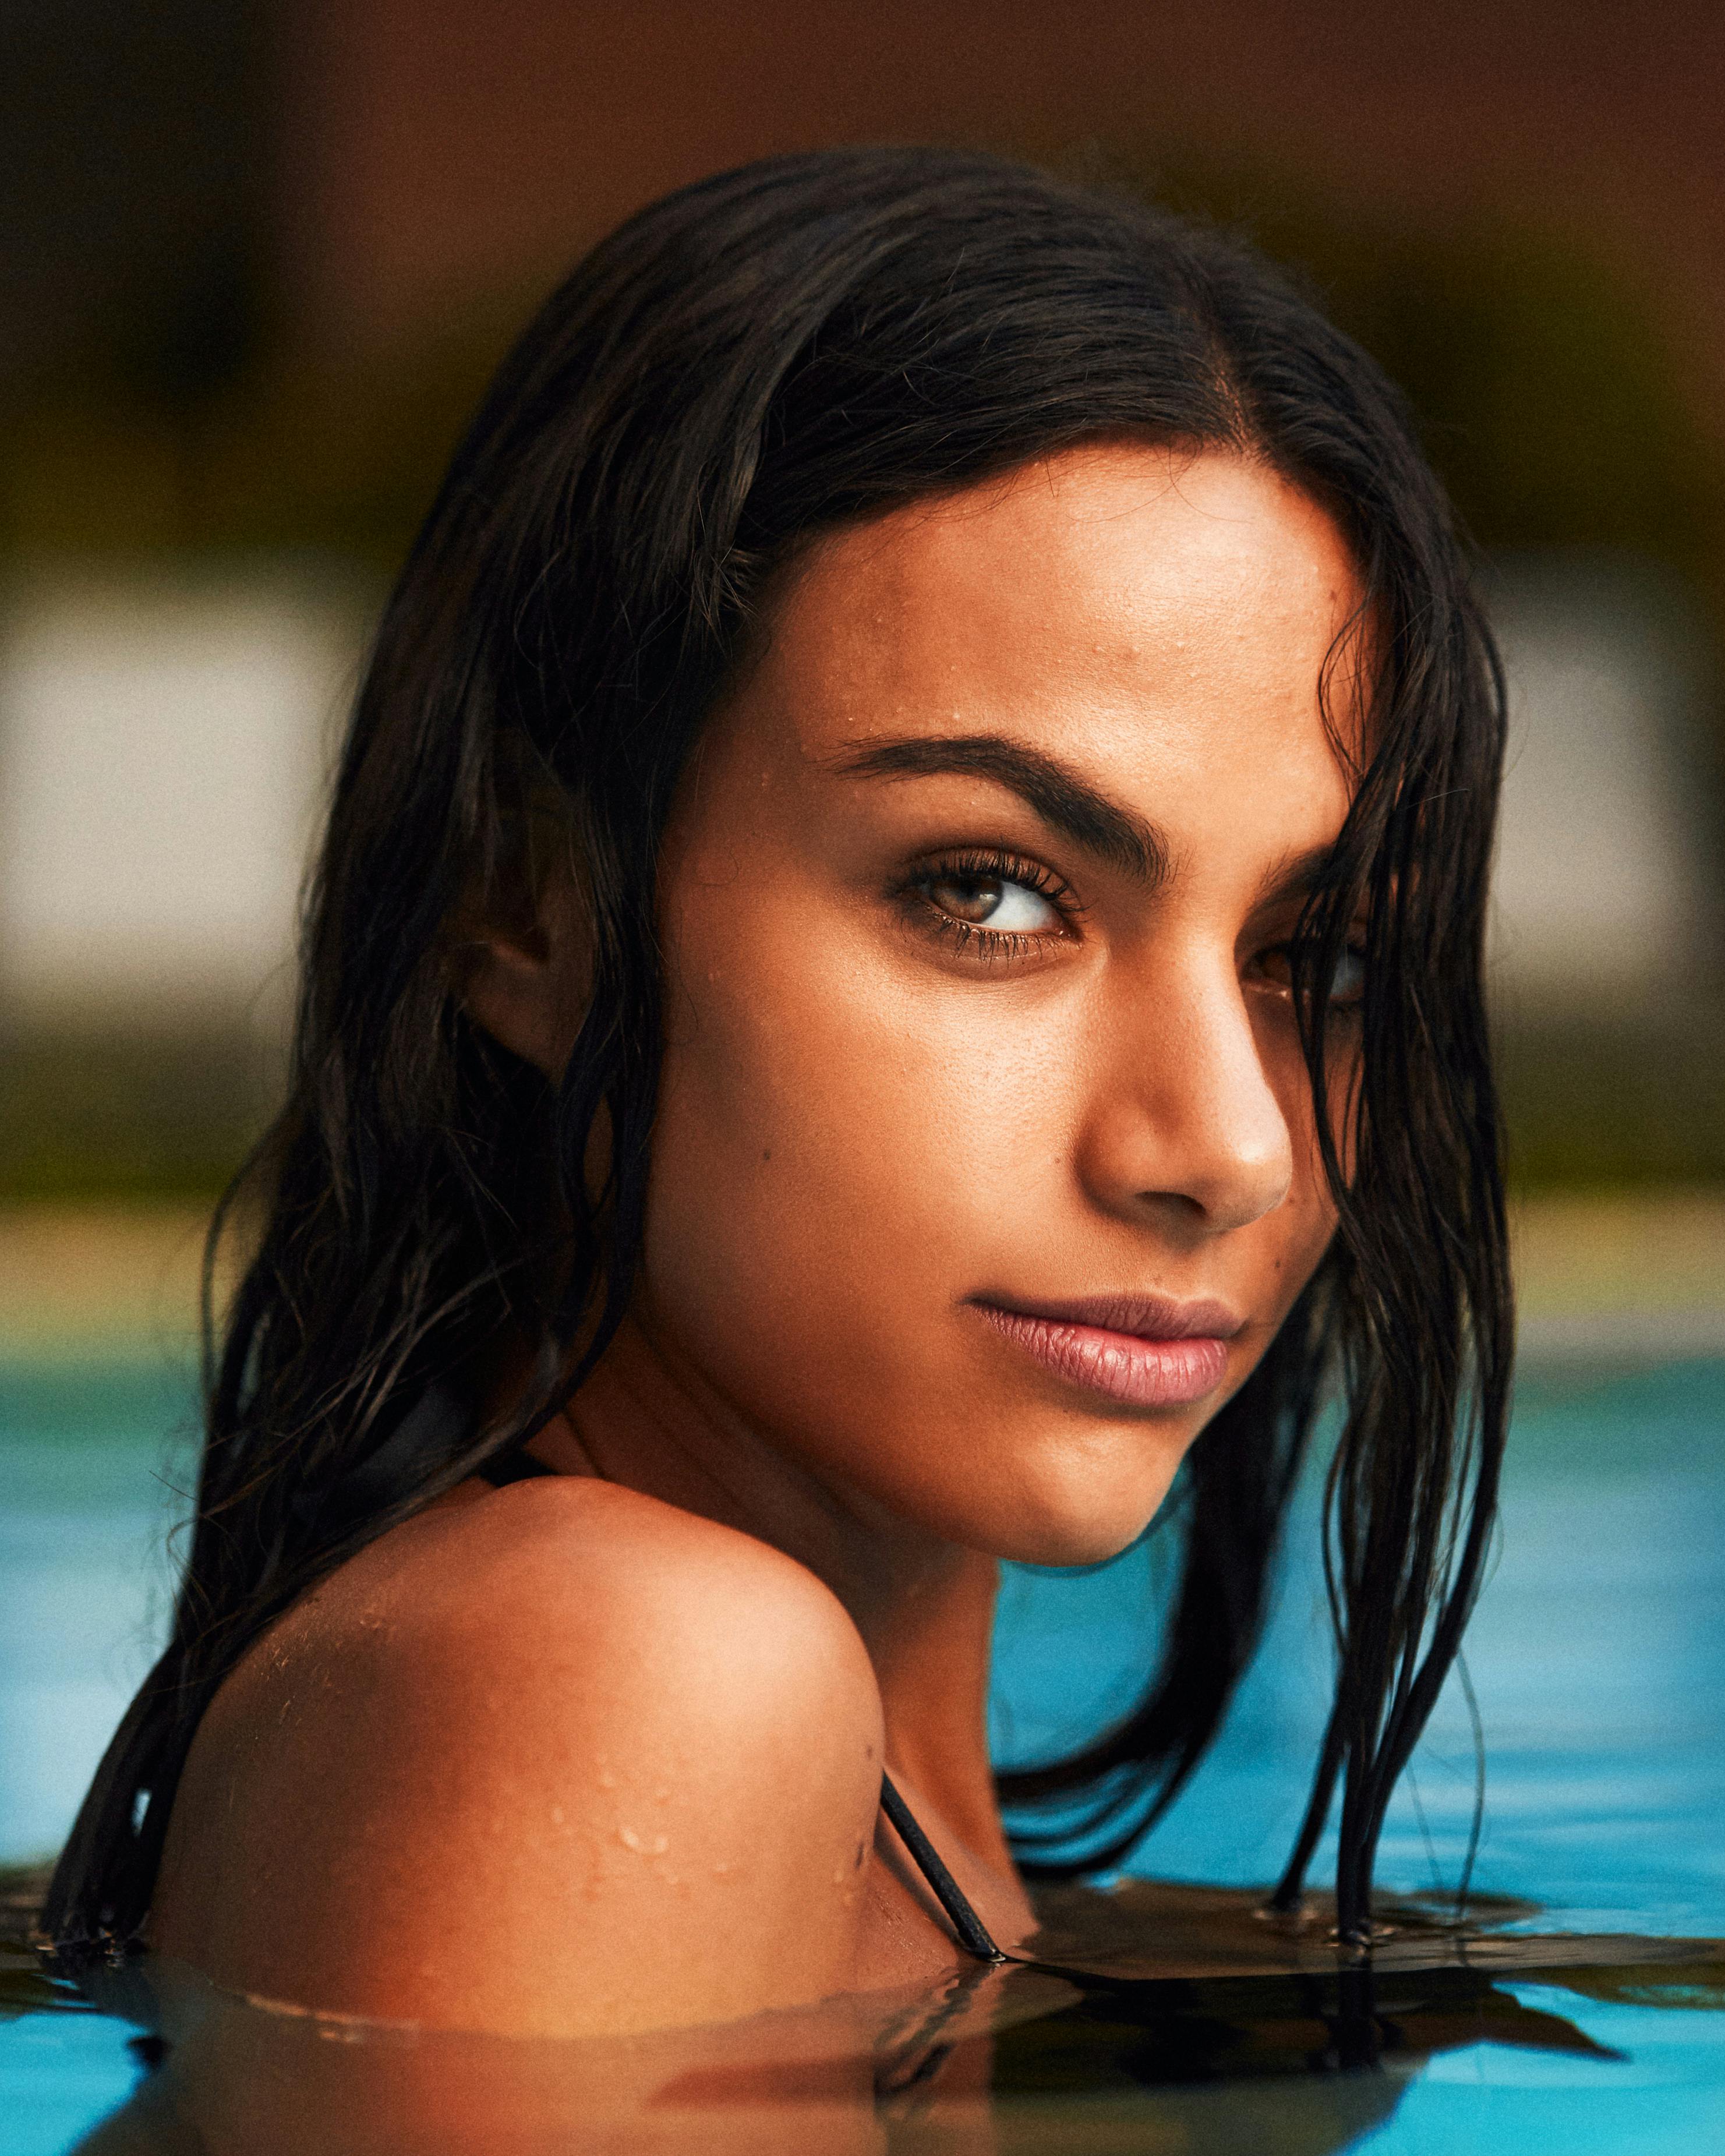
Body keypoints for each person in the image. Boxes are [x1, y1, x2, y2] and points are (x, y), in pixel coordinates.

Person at [47, 147, 1511, 2042]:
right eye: (983, 891)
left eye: (1314, 963)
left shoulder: (811, 1778)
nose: (1223, 1147)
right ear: (525, 898)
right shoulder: (624, 1670)